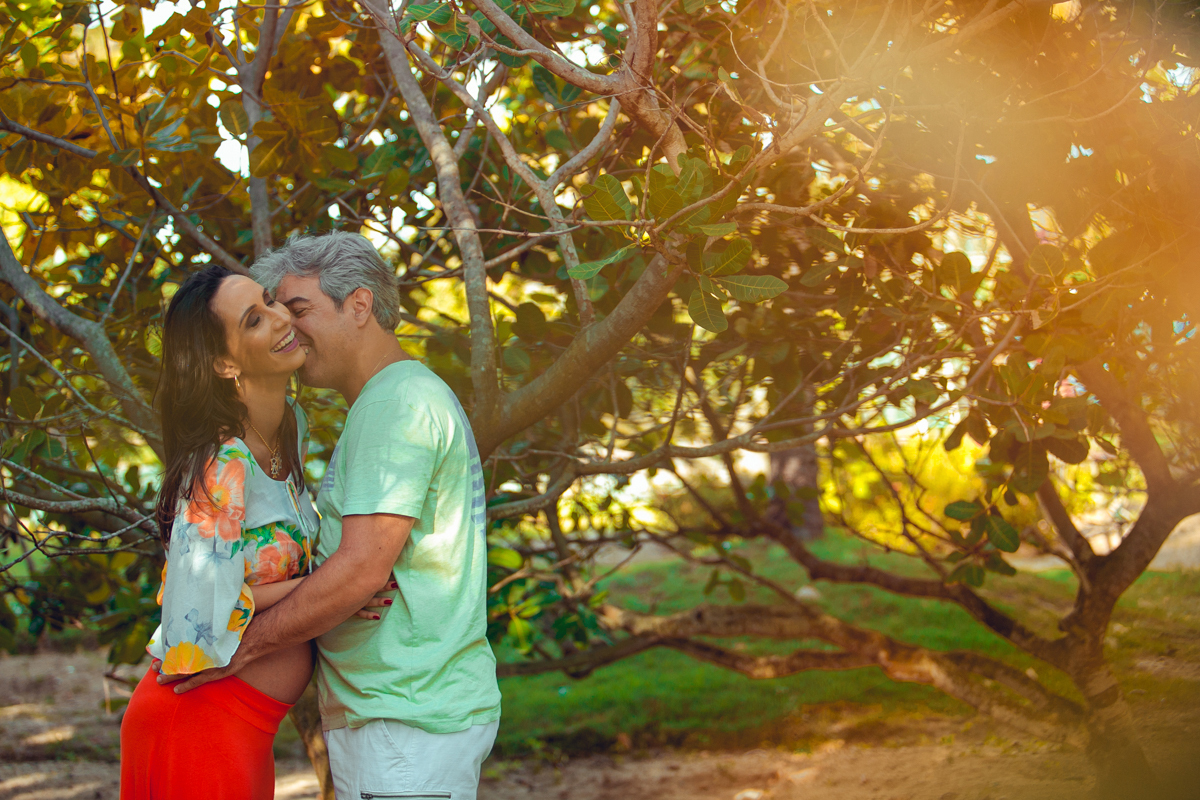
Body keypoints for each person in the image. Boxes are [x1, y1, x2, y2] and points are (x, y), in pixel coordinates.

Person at [160, 232, 502, 800]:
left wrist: (240, 649)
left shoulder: (395, 406)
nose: (289, 326)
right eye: (272, 312)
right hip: (396, 716)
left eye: (298, 309)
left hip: (404, 718)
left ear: (359, 306)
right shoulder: (390, 401)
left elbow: (360, 572)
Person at [120, 265, 390, 799]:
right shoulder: (220, 466)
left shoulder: (291, 425)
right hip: (199, 717)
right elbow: (199, 607)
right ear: (223, 363)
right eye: (253, 320)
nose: (280, 317)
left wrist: (333, 588)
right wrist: (334, 590)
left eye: (270, 301)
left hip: (242, 724)